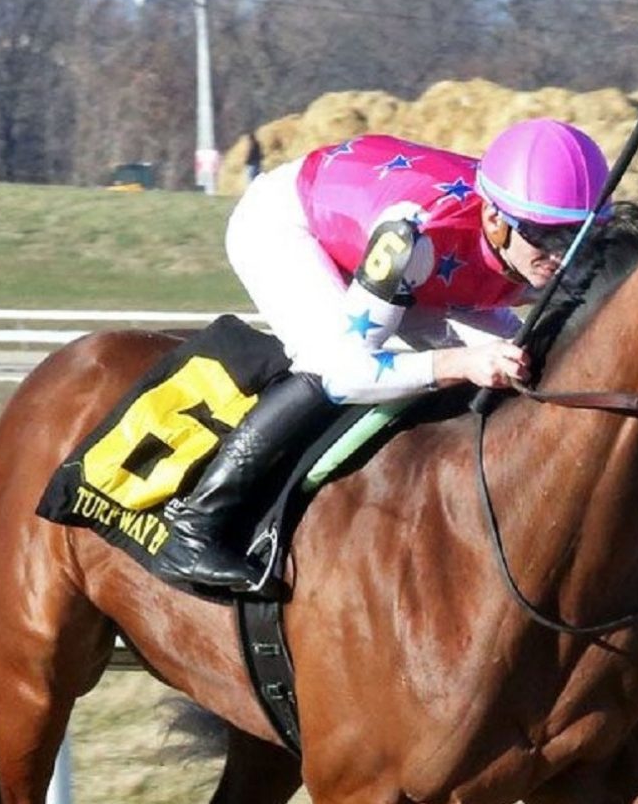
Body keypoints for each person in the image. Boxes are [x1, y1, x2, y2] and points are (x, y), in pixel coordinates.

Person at [154, 117, 610, 593]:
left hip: (430, 263)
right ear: (496, 220)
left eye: (580, 238)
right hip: (290, 226)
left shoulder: (524, 233)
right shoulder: (412, 235)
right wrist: (463, 363)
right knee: (323, 361)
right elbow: (345, 371)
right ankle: (196, 526)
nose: (565, 257)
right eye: (549, 238)